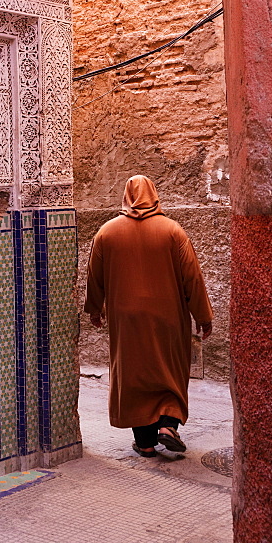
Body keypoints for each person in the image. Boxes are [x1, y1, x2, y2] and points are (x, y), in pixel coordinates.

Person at [85, 174, 213, 457]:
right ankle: (168, 424)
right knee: (168, 370)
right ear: (154, 195)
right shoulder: (173, 231)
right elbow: (192, 277)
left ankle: (144, 442)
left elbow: (94, 277)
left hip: (126, 319)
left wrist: (95, 309)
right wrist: (203, 316)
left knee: (134, 375)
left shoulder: (106, 232)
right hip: (168, 316)